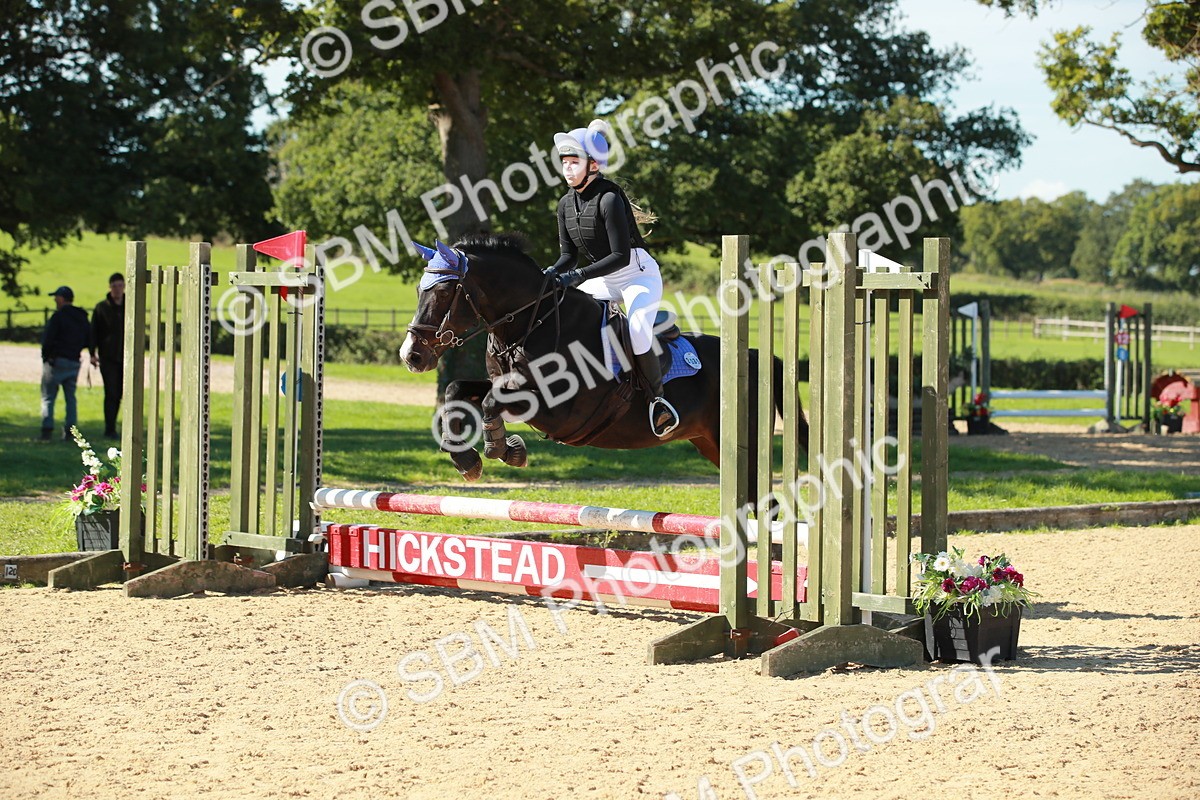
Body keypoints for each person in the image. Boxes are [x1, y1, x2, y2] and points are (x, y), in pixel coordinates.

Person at [543, 119, 680, 438]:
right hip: (603, 279)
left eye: (573, 162)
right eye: (564, 162)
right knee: (564, 311)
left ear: (593, 165)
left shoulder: (609, 198)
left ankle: (658, 402)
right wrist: (548, 275)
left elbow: (619, 256)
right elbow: (567, 257)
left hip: (637, 275)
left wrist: (575, 276)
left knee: (636, 332)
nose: (567, 168)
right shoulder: (565, 204)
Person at [39, 286, 93, 442]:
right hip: (74, 361)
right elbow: (88, 338)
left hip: (56, 361)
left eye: (56, 297)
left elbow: (48, 339)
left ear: (62, 298)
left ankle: (47, 430)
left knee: (48, 396)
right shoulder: (82, 317)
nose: (55, 300)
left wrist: (46, 357)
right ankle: (71, 431)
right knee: (70, 397)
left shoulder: (58, 317)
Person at [90, 272, 126, 438]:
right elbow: (94, 332)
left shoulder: (130, 305)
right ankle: (109, 428)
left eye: (120, 285)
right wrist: (92, 353)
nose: (117, 289)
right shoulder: (102, 308)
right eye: (114, 286)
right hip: (108, 356)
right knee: (111, 393)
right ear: (110, 287)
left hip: (126, 357)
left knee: (120, 393)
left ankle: (122, 426)